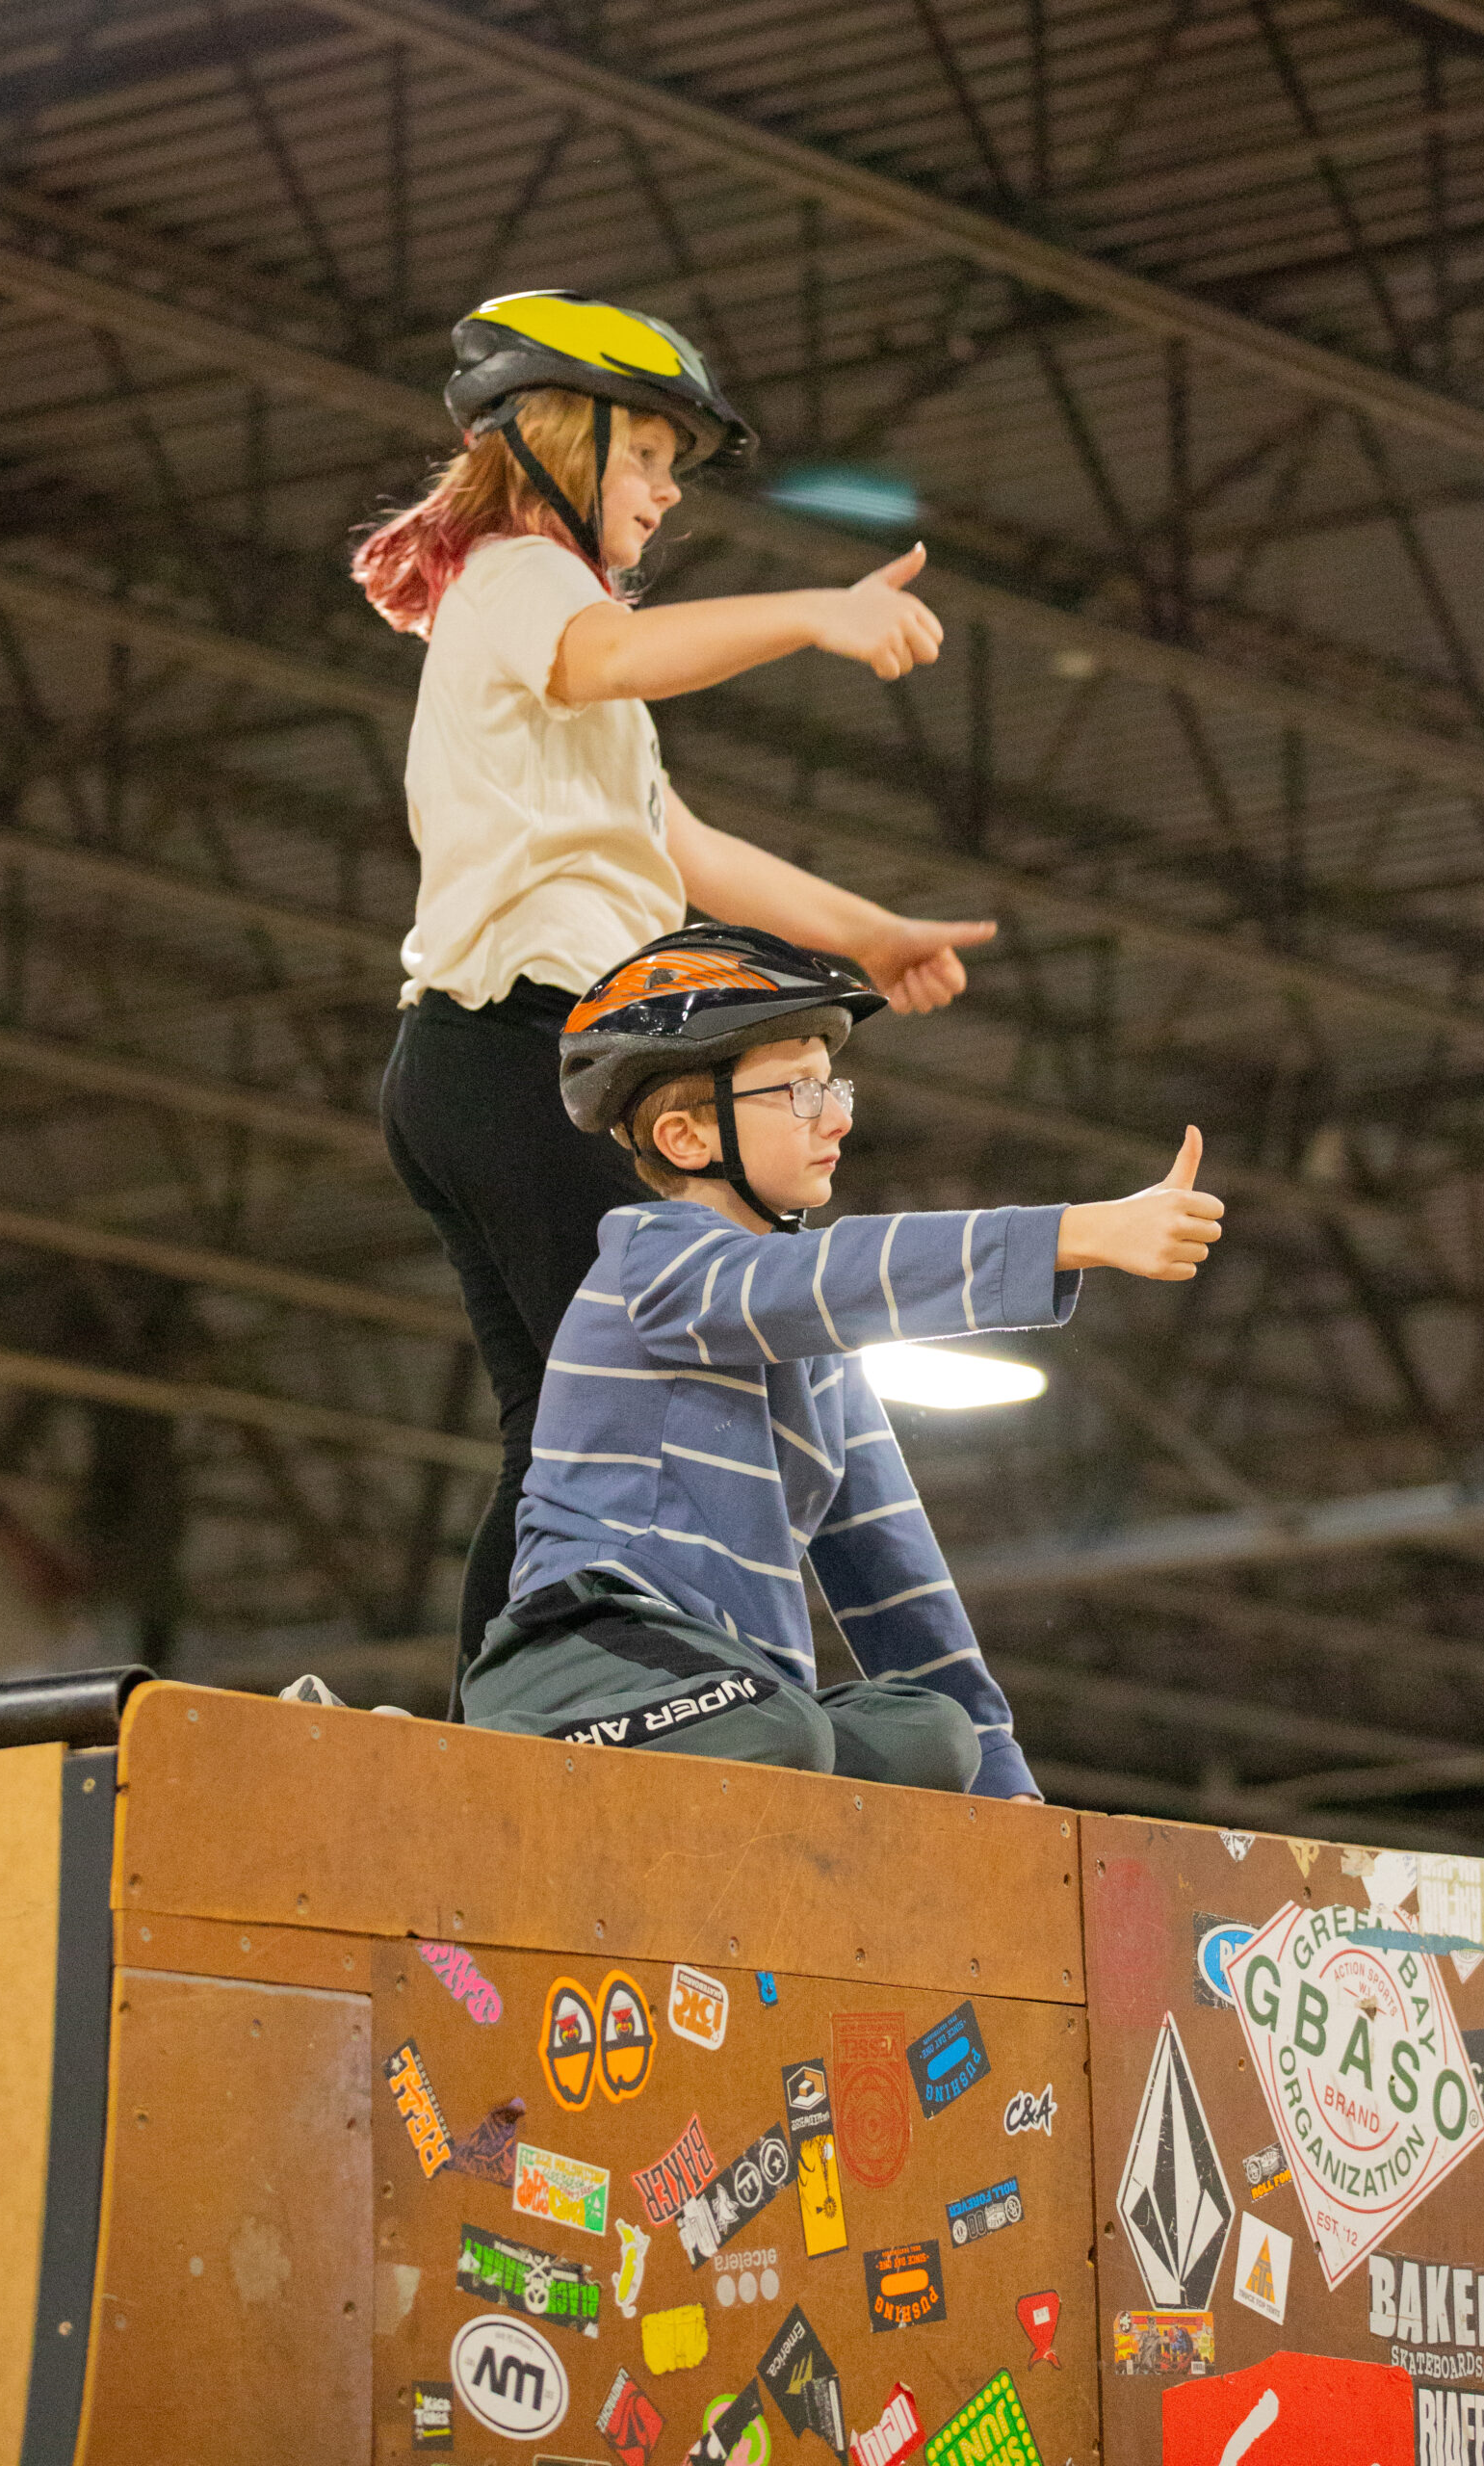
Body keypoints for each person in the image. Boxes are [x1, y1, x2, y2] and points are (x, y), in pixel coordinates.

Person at [351, 291, 998, 1691]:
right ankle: (563, 1699)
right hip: (518, 1048)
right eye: (642, 458)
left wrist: (869, 935)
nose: (659, 494)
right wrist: (816, 613)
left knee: (557, 1429)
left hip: (475, 1065)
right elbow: (619, 649)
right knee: (638, 1394)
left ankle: (506, 1715)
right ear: (552, 442)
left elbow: (684, 848)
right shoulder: (526, 577)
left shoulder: (560, 660)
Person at [459, 925, 1226, 1798]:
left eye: (832, 1084)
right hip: (586, 1650)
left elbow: (905, 1592)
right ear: (682, 1138)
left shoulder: (819, 1355)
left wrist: (1015, 1803)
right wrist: (1075, 1234)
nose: (839, 1116)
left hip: (741, 1701)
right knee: (781, 1728)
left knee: (936, 1741)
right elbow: (828, 1277)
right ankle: (486, 1755)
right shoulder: (653, 1262)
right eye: (798, 1091)